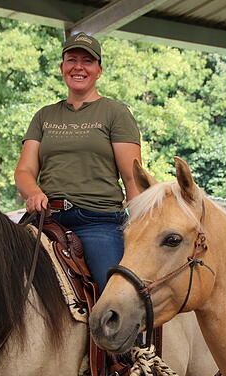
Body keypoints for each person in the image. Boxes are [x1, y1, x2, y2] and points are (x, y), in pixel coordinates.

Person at [15, 32, 142, 291]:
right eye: (72, 59)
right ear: (62, 68)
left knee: (115, 300)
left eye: (87, 61)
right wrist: (33, 192)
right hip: (45, 218)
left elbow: (131, 177)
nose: (78, 67)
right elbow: (25, 170)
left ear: (99, 70)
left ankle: (129, 333)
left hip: (97, 220)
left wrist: (140, 224)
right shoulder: (44, 116)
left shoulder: (115, 113)